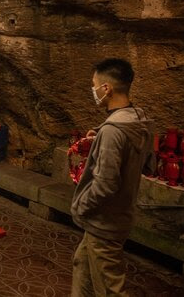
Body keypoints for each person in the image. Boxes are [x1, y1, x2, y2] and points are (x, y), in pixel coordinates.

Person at [70, 58, 155, 297]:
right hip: (118, 217)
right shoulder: (140, 119)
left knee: (110, 289)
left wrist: (80, 207)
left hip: (104, 222)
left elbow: (105, 184)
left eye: (94, 85)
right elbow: (148, 164)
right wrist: (99, 135)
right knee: (82, 266)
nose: (93, 91)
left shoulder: (112, 132)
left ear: (106, 88)